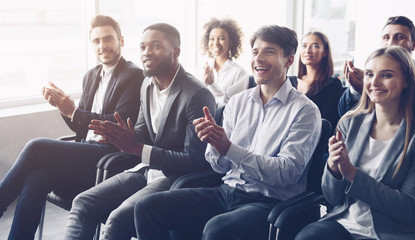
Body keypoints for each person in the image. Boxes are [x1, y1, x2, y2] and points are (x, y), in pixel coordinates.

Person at [133, 25, 322, 240]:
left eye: (268, 51)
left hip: (268, 203)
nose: (258, 58)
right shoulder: (238, 102)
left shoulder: (305, 111)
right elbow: (220, 166)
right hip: (227, 192)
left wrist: (229, 148)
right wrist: (214, 144)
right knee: (147, 207)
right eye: (255, 52)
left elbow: (286, 173)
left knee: (218, 228)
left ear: (288, 60)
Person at [63, 23, 216, 240]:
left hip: (175, 178)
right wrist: (122, 137)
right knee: (83, 202)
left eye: (156, 46)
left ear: (176, 52)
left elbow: (195, 160)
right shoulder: (147, 85)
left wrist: (137, 147)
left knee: (117, 220)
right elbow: (142, 136)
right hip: (146, 170)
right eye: (143, 47)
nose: (146, 53)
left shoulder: (196, 93)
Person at [0, 15, 143, 239]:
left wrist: (73, 111)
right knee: (36, 177)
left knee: (36, 147)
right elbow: (81, 125)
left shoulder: (135, 75)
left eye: (108, 39)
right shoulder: (91, 76)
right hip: (85, 152)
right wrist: (63, 108)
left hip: (109, 156)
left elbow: (118, 122)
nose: (102, 46)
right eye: (96, 41)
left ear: (121, 40)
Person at [295, 46, 415, 240]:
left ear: (407, 80)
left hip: (391, 232)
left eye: (386, 75)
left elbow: (408, 209)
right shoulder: (350, 123)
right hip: (344, 223)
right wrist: (333, 169)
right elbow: (333, 198)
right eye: (369, 74)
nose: (374, 82)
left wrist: (352, 174)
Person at [338, 15, 415, 116]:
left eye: (400, 37)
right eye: (386, 37)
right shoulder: (370, 77)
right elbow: (343, 114)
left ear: (414, 45)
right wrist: (356, 90)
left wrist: (367, 93)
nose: (391, 43)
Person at [290, 31, 343, 128]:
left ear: (325, 52)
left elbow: (327, 122)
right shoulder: (288, 82)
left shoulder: (332, 85)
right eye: (304, 46)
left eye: (315, 46)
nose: (308, 51)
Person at [201, 17, 249, 103]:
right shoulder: (202, 69)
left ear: (231, 42)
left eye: (221, 39)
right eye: (212, 39)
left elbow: (232, 104)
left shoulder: (239, 73)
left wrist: (212, 84)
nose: (216, 43)